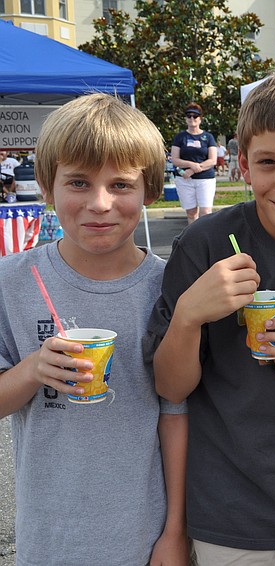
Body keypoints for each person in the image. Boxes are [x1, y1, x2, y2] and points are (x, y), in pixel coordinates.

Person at [149, 71, 275, 565]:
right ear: (242, 165)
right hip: (227, 510)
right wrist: (189, 316)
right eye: (268, 163)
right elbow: (170, 388)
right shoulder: (204, 246)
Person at [0, 94, 189, 565]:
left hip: (143, 537)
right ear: (46, 186)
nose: (100, 204)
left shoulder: (171, 288)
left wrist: (174, 534)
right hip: (48, 537)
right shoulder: (12, 282)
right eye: (79, 183)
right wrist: (32, 370)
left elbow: (176, 415)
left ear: (149, 190)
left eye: (121, 184)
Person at [171, 102, 218, 223]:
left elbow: (212, 160)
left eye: (195, 116)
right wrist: (190, 164)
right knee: (191, 213)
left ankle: (206, 238)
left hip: (205, 179)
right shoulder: (180, 137)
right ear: (185, 119)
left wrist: (192, 170)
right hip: (185, 180)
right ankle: (193, 238)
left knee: (206, 212)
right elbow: (175, 159)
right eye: (189, 116)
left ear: (200, 119)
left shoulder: (208, 137)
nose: (192, 119)